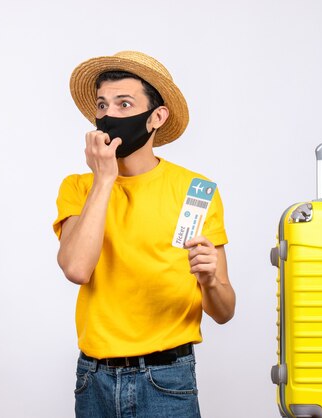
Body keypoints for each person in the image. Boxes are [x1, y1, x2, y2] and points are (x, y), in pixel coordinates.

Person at [53, 50, 236, 418]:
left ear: (156, 116)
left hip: (167, 379)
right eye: (103, 106)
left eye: (125, 104)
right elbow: (76, 269)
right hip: (94, 379)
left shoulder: (195, 191)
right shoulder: (78, 188)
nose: (109, 116)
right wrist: (104, 179)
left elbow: (225, 311)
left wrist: (210, 279)